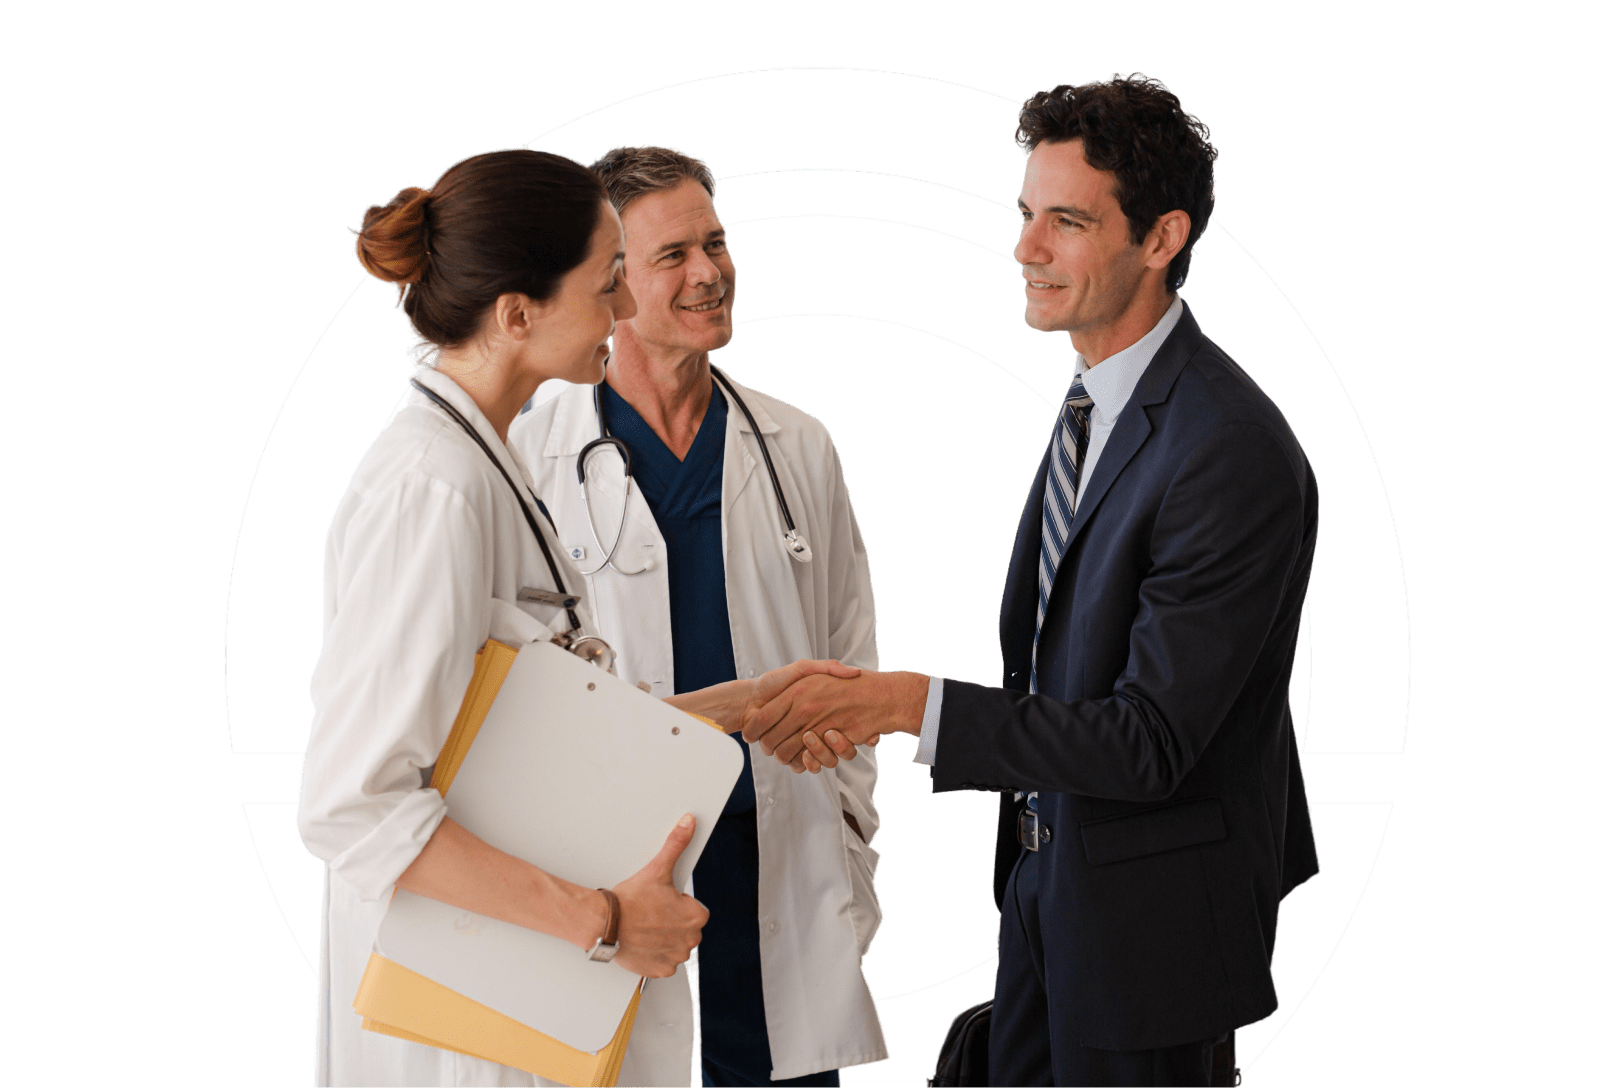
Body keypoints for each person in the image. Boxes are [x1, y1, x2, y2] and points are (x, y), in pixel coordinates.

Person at [743, 74, 1320, 1087]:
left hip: (1153, 933)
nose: (1026, 250)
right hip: (1051, 893)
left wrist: (906, 705)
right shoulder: (1097, 405)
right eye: (1023, 216)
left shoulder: (1225, 448)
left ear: (1161, 237)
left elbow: (1148, 741)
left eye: (1065, 222)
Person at [297, 148, 854, 1088]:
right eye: (609, 286)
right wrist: (605, 919)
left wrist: (743, 702)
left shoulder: (482, 463)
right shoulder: (432, 489)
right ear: (518, 313)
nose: (628, 310)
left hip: (522, 989)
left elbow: (521, 728)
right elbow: (356, 807)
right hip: (470, 1015)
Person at [509, 146, 888, 1088]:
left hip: (777, 869)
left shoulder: (798, 443)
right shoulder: (528, 450)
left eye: (715, 243)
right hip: (617, 876)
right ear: (612, 283)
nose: (711, 272)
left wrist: (851, 840)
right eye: (673, 254)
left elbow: (851, 657)